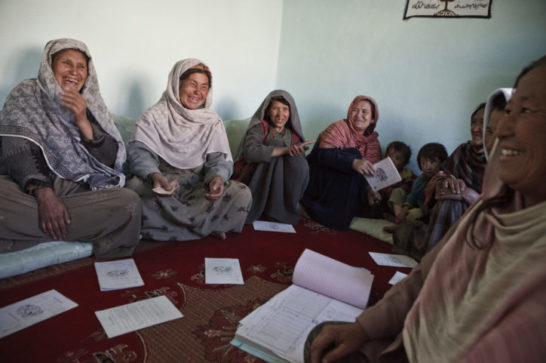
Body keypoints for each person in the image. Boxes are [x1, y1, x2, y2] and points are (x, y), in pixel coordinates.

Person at [305, 55, 546, 363]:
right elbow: (424, 278)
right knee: (324, 341)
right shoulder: (488, 211)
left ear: (373, 117)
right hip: (409, 340)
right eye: (503, 115)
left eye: (525, 111)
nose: (499, 132)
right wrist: (363, 329)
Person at [0, 38, 141, 258]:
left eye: (81, 66)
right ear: (49, 65)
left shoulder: (91, 103)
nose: (74, 72)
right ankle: (72, 225)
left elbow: (111, 162)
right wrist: (44, 195)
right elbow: (15, 147)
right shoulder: (26, 93)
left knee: (128, 202)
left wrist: (83, 121)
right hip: (30, 186)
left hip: (79, 189)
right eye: (66, 63)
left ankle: (25, 231)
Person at [127, 58, 251, 241]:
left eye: (204, 87)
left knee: (242, 193)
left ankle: (165, 229)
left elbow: (219, 160)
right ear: (177, 84)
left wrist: (217, 178)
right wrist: (154, 176)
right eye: (192, 84)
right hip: (165, 186)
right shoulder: (153, 117)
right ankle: (208, 226)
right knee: (133, 191)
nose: (197, 92)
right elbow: (140, 154)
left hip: (199, 186)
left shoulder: (212, 121)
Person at [232, 90, 313, 224]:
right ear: (268, 111)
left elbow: (298, 168)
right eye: (275, 108)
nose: (280, 114)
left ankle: (281, 210)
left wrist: (296, 152)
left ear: (290, 112)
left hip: (281, 184)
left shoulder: (293, 136)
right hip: (253, 177)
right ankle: (259, 207)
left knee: (300, 162)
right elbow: (250, 152)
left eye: (285, 109)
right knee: (275, 144)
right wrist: (284, 150)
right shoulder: (259, 128)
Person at [302, 95, 381, 230]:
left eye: (364, 112)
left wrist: (371, 189)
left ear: (373, 118)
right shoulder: (339, 128)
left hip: (347, 188)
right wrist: (352, 162)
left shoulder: (373, 142)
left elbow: (371, 173)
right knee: (355, 155)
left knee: (377, 196)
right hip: (319, 179)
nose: (359, 115)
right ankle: (327, 214)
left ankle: (337, 213)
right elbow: (322, 156)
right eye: (355, 110)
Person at [388, 142, 447, 225]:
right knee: (397, 192)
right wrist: (403, 212)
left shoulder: (443, 180)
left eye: (433, 162)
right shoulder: (420, 180)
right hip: (413, 205)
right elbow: (412, 196)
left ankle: (400, 224)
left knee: (413, 215)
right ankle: (399, 218)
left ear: (442, 162)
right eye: (424, 163)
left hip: (424, 211)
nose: (428, 167)